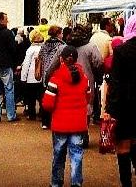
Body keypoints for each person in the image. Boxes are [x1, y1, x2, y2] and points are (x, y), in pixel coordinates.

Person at [105, 13, 136, 187]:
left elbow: (116, 81)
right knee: (135, 141)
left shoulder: (121, 50)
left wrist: (110, 109)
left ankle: (126, 183)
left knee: (122, 146)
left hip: (123, 103)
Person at [42, 45, 90, 187]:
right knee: (76, 154)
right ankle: (76, 182)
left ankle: (56, 182)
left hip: (60, 123)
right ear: (76, 60)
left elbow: (48, 104)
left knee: (58, 154)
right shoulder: (84, 78)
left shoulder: (56, 79)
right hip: (78, 123)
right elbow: (88, 97)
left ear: (61, 59)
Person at [37, 25, 65, 129]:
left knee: (46, 97)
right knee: (56, 98)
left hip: (45, 74)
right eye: (61, 33)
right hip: (56, 74)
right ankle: (54, 120)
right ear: (58, 34)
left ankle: (45, 122)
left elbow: (40, 57)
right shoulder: (61, 45)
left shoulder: (45, 44)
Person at [19, 30, 44, 120]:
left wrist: (23, 77)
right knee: (41, 97)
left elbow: (26, 64)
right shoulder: (43, 48)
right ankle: (42, 113)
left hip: (31, 77)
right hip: (41, 76)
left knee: (31, 98)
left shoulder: (30, 49)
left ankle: (31, 114)